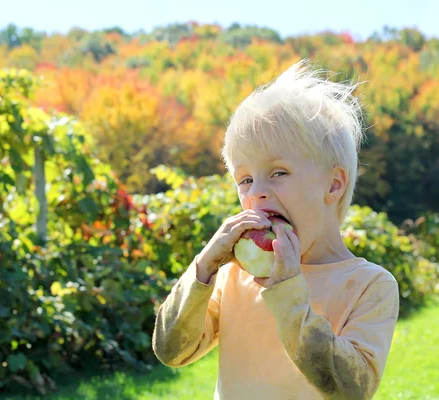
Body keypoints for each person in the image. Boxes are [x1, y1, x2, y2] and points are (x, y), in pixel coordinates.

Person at [152, 59, 400, 399]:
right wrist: (204, 268)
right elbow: (172, 350)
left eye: (278, 172)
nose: (256, 192)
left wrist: (287, 291)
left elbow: (351, 390)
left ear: (333, 185)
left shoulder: (370, 286)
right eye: (245, 179)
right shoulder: (233, 277)